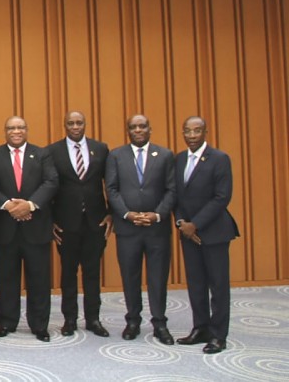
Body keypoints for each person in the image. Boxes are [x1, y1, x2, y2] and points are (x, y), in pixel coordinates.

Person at [105, 114, 176, 344]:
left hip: (157, 228)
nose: (138, 130)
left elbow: (171, 190)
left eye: (142, 126)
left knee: (158, 277)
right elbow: (112, 189)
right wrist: (127, 214)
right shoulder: (116, 155)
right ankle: (132, 321)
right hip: (128, 228)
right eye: (133, 127)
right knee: (130, 276)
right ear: (128, 131)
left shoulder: (165, 155)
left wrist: (157, 215)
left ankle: (159, 323)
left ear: (150, 129)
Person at [0, 116, 58, 342]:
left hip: (35, 227)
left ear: (26, 130)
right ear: (5, 131)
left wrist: (28, 205)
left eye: (20, 128)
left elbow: (51, 182)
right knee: (7, 279)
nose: (15, 131)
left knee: (39, 279)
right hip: (5, 229)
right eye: (11, 128)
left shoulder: (42, 154)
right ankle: (6, 322)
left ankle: (39, 325)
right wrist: (9, 206)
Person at [174, 116, 239, 354]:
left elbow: (222, 197)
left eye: (197, 130)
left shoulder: (220, 159)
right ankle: (200, 328)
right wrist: (182, 223)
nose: (191, 135)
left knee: (218, 285)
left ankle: (218, 335)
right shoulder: (179, 159)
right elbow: (177, 196)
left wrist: (195, 225)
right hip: (188, 233)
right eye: (187, 131)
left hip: (214, 232)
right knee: (196, 284)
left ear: (205, 132)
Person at [49, 111, 112, 337]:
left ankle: (93, 319)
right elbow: (48, 188)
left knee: (92, 273)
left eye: (79, 122)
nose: (75, 126)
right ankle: (69, 319)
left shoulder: (101, 149)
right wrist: (50, 222)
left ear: (85, 124)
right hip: (65, 225)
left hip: (95, 222)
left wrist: (111, 214)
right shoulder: (53, 151)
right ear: (64, 125)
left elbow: (112, 184)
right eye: (71, 123)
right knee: (68, 273)